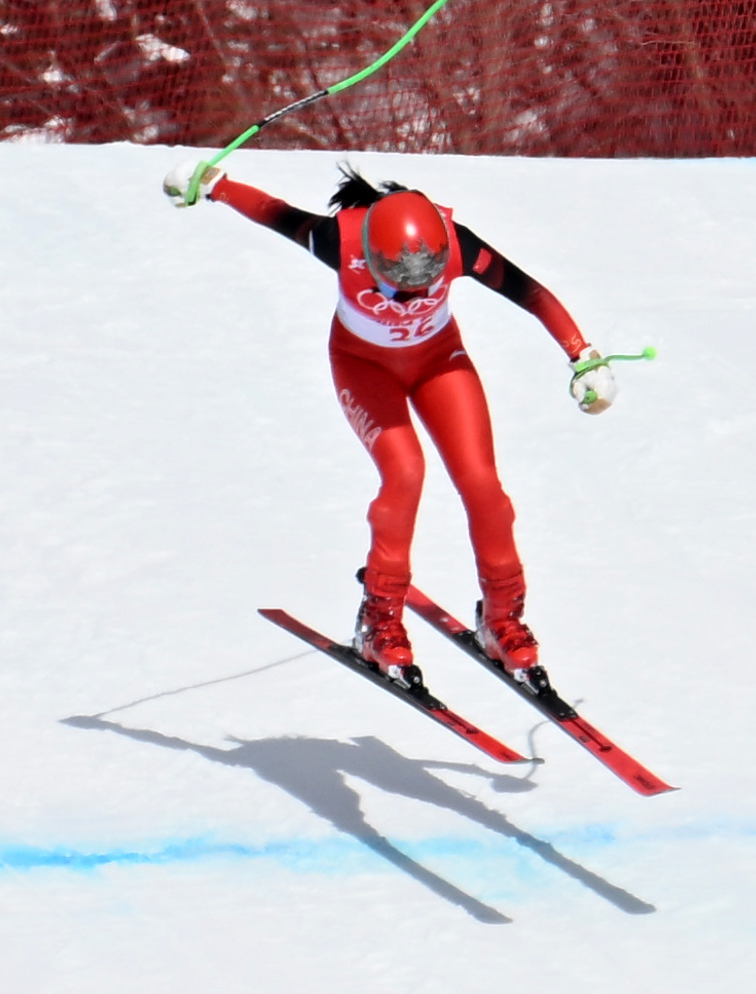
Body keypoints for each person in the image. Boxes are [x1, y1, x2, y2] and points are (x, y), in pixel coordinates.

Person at [162, 160, 617, 686]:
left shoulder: (459, 243)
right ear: (373, 257)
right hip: (363, 365)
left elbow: (530, 293)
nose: (411, 295)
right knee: (404, 474)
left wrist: (584, 355)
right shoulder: (341, 240)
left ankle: (503, 619)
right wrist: (215, 186)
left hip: (439, 362)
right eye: (397, 283)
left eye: (425, 283)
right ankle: (379, 623)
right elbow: (276, 214)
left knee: (483, 485)